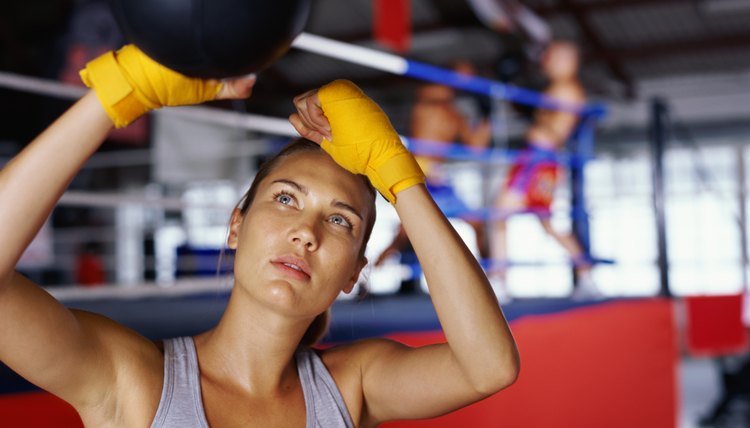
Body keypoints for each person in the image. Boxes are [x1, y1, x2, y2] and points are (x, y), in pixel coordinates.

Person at [0, 44, 519, 426]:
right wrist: (116, 96)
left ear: (353, 273)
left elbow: (489, 368)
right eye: (286, 199)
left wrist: (401, 179)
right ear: (236, 225)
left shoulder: (352, 384)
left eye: (340, 220)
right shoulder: (132, 380)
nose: (306, 233)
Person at [490, 40, 600, 299]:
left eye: (552, 57)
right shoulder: (560, 88)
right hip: (543, 160)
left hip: (537, 159)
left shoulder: (565, 89)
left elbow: (554, 129)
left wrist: (538, 122)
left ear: (568, 60)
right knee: (546, 223)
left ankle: (499, 282)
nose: (546, 62)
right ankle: (587, 277)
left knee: (499, 214)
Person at [374, 62, 491, 278]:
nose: (468, 78)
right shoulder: (430, 97)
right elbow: (431, 92)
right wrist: (456, 77)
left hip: (437, 177)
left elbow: (476, 147)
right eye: (465, 73)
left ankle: (492, 278)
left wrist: (486, 112)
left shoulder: (456, 115)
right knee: (402, 235)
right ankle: (367, 277)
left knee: (477, 224)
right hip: (418, 172)